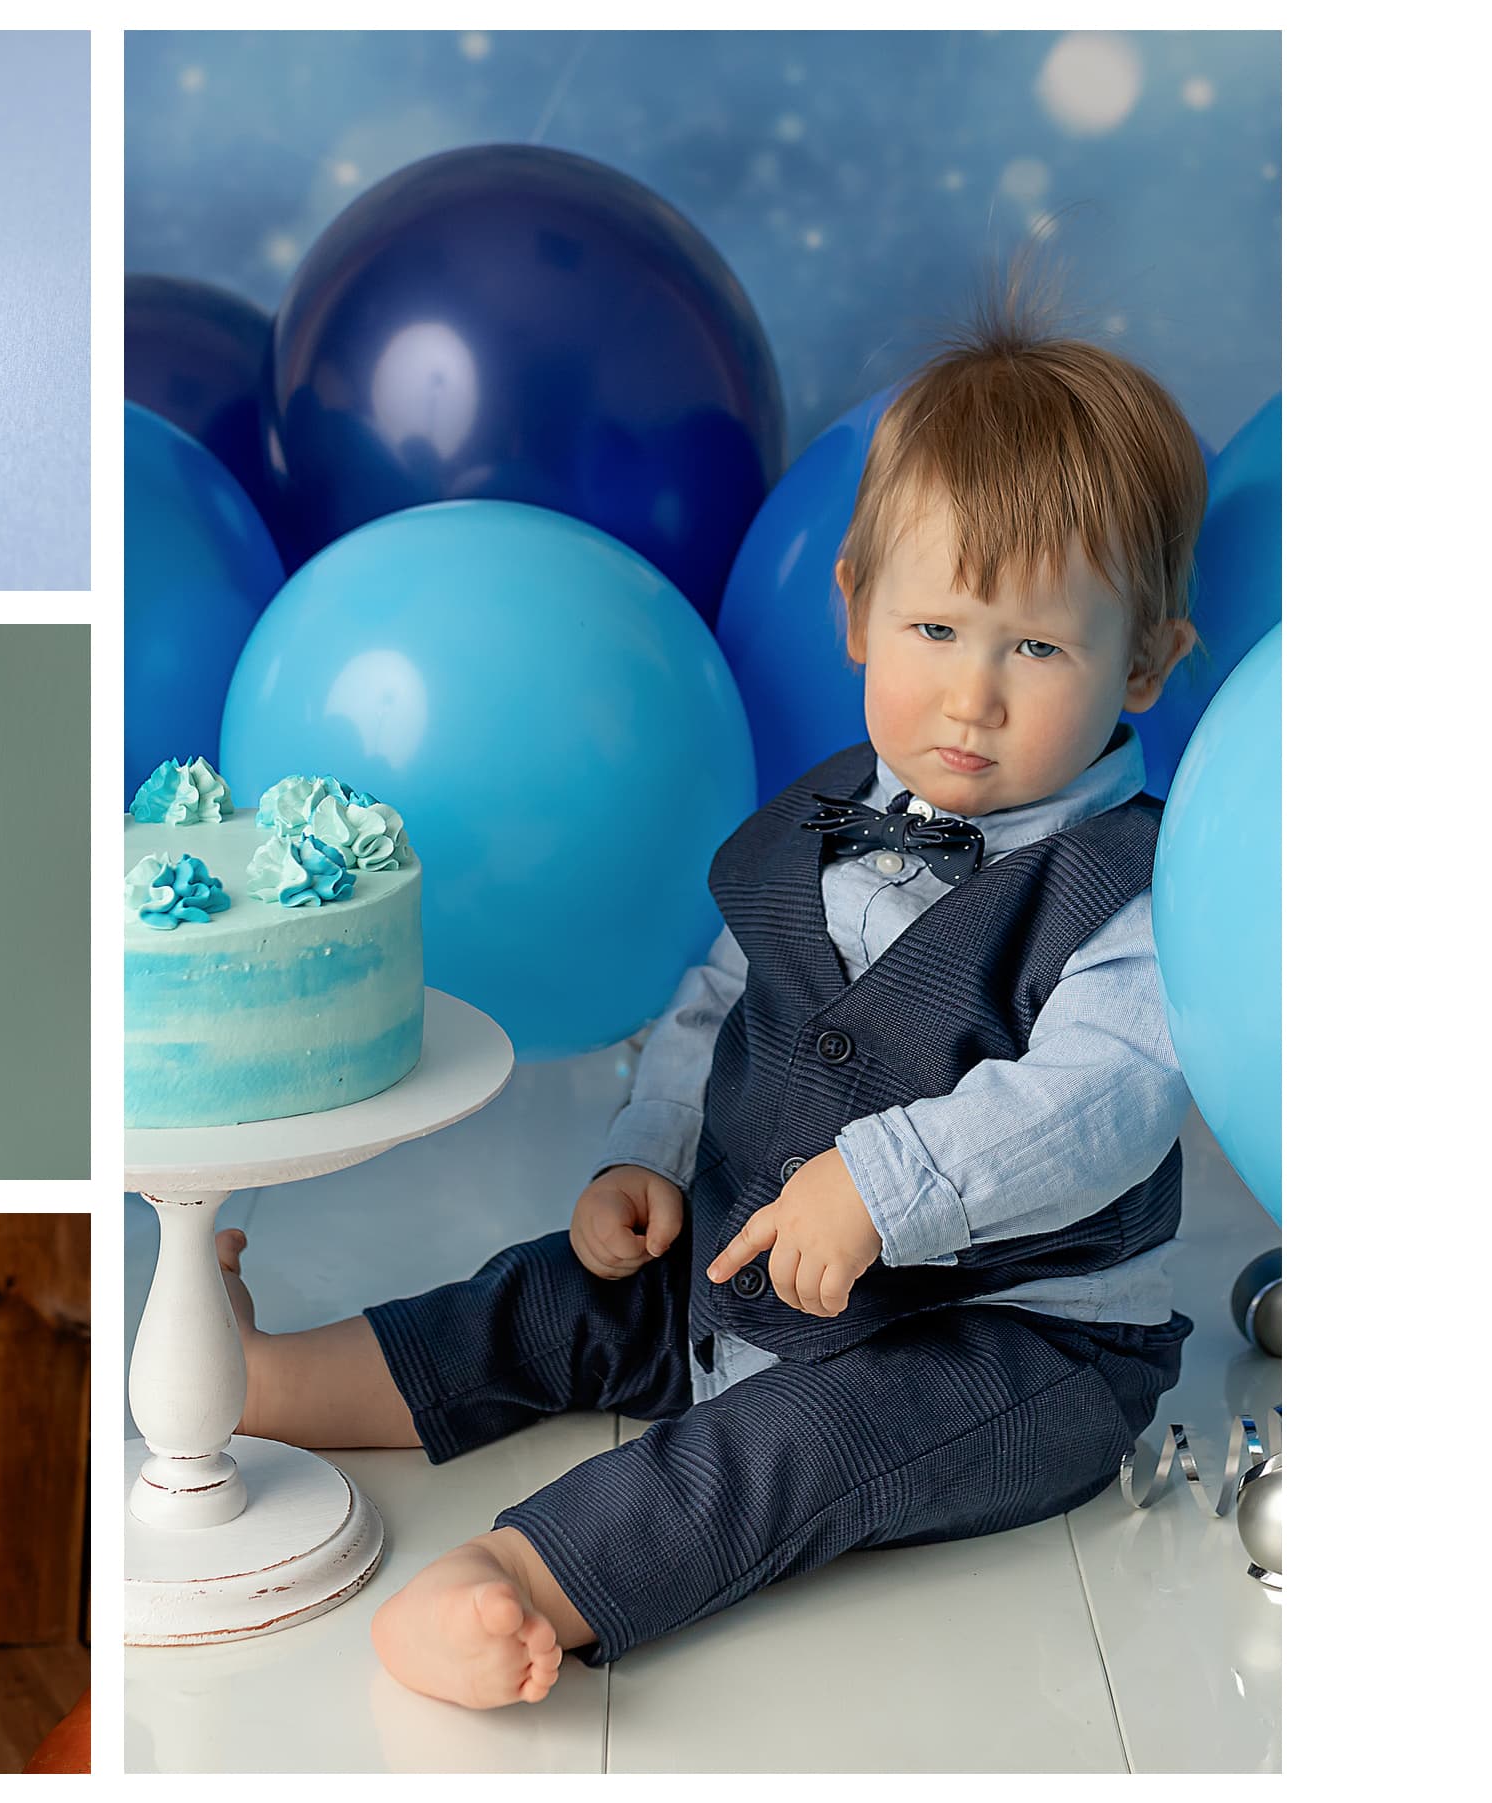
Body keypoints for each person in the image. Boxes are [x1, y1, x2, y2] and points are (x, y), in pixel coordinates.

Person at [221, 267, 1210, 1708]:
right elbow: (722, 1000)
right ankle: (281, 1382)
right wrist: (647, 1150)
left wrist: (884, 1183)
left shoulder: (1126, 884)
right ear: (858, 612)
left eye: (1039, 647)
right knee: (558, 1296)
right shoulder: (820, 817)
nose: (972, 696)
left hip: (1009, 1334)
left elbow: (1101, 1100)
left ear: (1146, 665)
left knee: (799, 1445)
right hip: (750, 1267)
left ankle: (527, 1577)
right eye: (936, 630)